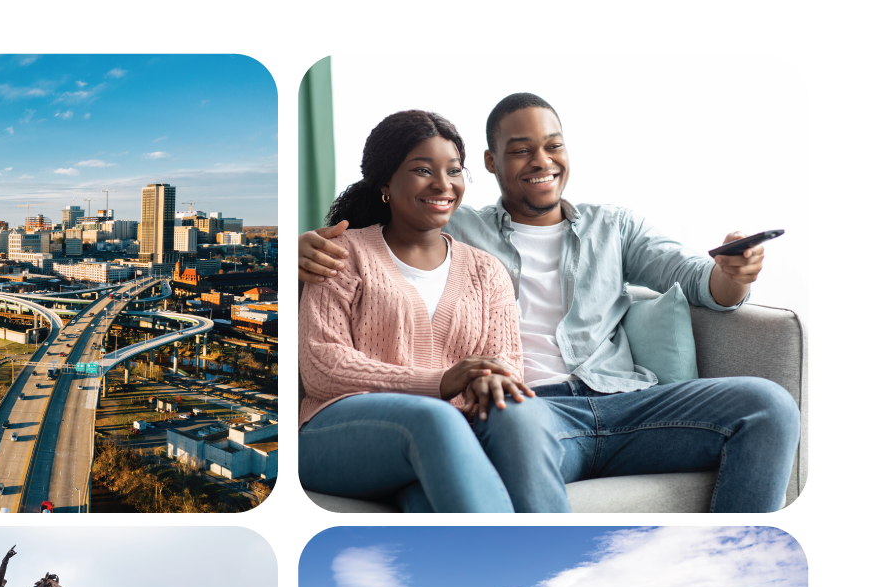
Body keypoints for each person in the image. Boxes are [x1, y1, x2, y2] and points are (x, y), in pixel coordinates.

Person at [299, 93, 801, 513]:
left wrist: (734, 274)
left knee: (768, 404)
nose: (541, 161)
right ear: (493, 164)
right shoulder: (451, 224)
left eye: (553, 146)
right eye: (520, 150)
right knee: (507, 413)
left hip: (625, 400)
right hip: (528, 412)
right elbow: (389, 230)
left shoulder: (611, 228)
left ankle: (733, 561)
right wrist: (294, 251)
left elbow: (699, 283)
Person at [299, 109, 538, 512]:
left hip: (441, 442)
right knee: (436, 419)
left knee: (437, 492)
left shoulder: (487, 271)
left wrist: (486, 382)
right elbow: (322, 367)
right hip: (335, 433)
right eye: (423, 170)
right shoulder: (342, 254)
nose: (443, 184)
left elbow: (507, 366)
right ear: (386, 183)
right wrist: (441, 382)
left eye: (454, 170)